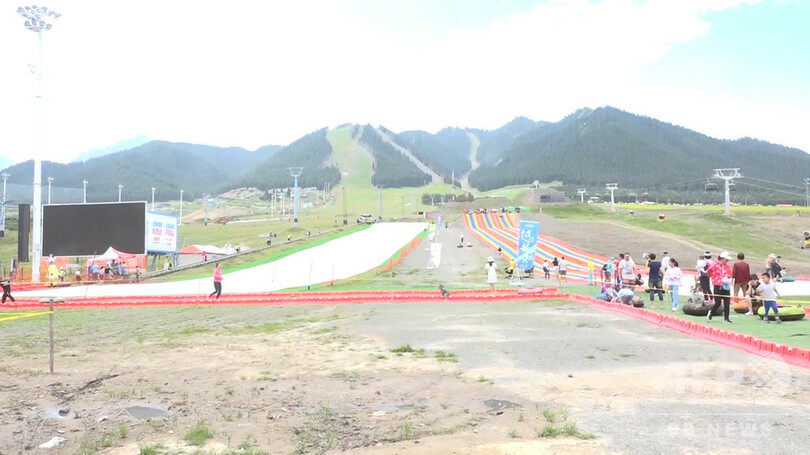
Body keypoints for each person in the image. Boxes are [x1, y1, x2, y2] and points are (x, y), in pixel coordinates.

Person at [707, 251, 733, 323]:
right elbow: (708, 272)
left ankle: (726, 318)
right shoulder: (714, 265)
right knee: (718, 302)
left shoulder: (727, 266)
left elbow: (730, 274)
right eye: (726, 260)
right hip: (717, 285)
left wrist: (727, 276)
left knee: (727, 303)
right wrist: (714, 277)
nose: (727, 261)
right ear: (722, 259)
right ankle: (711, 312)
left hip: (726, 285)